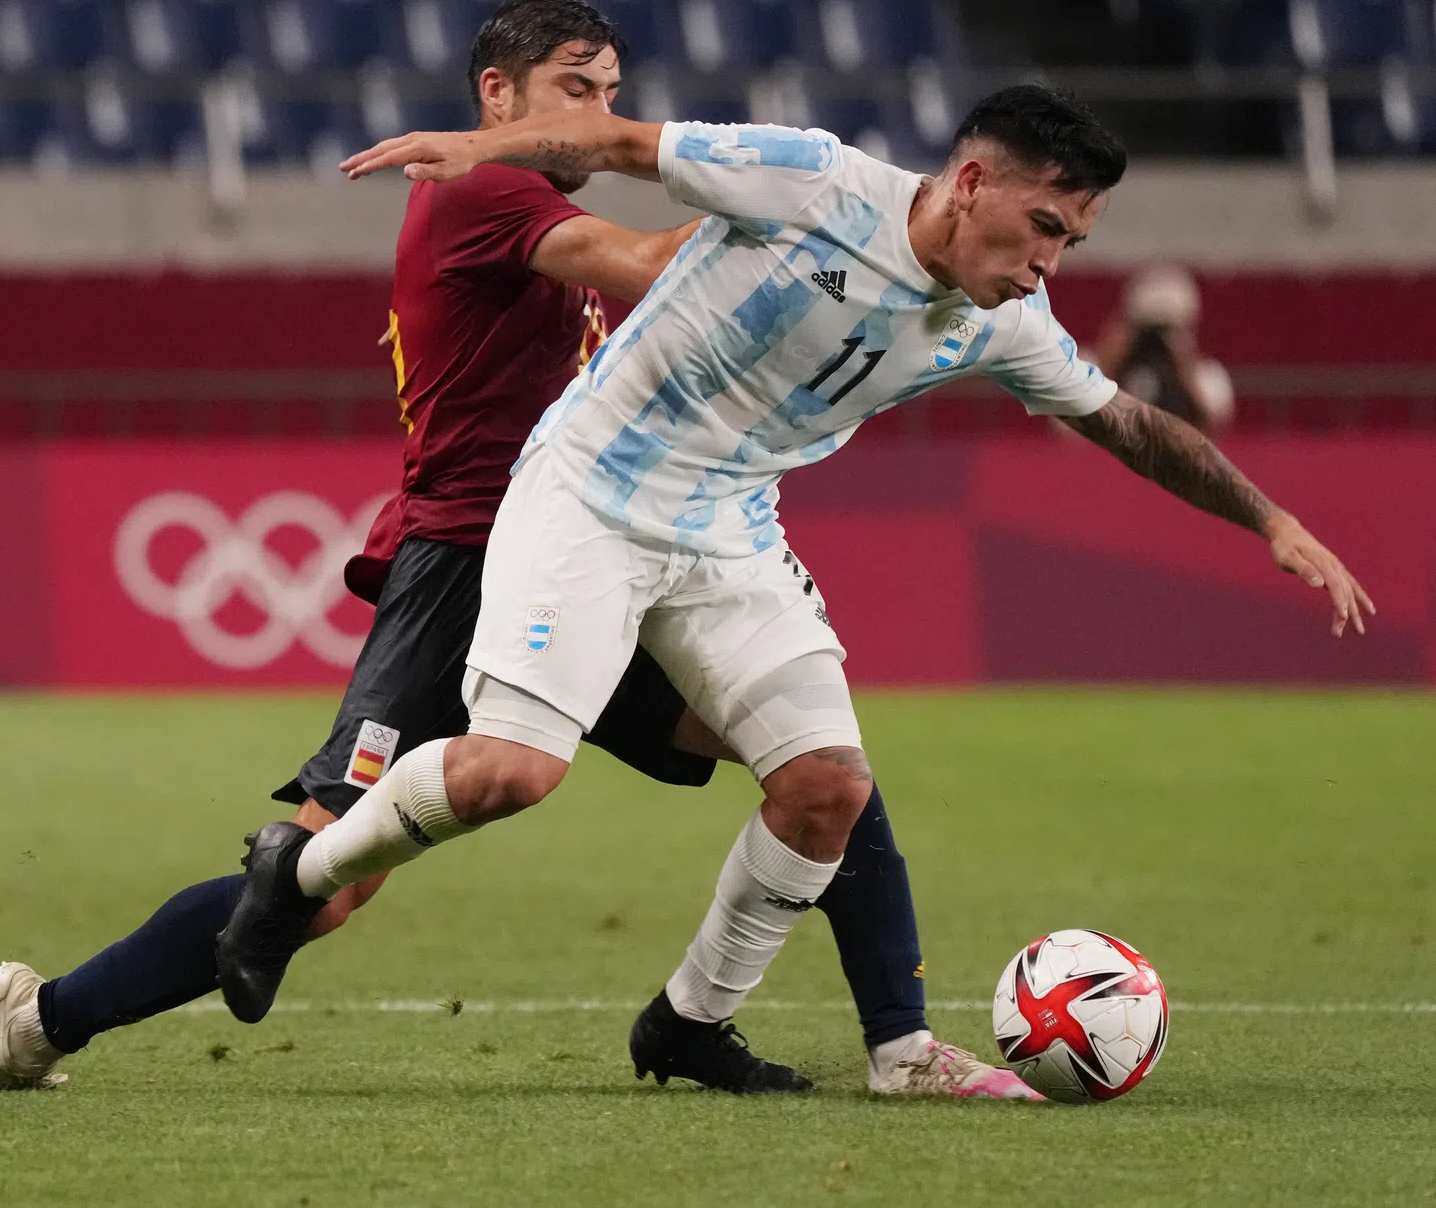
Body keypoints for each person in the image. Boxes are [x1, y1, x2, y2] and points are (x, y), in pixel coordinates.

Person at [0, 0, 1032, 1102]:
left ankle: (889, 1042)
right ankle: (38, 1020)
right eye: (573, 89)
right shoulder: (484, 184)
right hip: (468, 559)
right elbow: (646, 265)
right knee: (325, 880)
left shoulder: (519, 190)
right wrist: (807, 225)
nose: (593, 111)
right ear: (498, 95)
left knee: (820, 769)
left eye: (610, 93)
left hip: (592, 557)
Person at [215, 85, 1375, 1090]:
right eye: (1040, 228)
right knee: (512, 773)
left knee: (827, 788)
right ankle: (297, 871)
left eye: (1066, 243)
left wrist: (1267, 519)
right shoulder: (812, 179)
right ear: (968, 183)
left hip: (724, 533)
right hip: (589, 493)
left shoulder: (1007, 320)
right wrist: (479, 148)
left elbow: (1123, 421)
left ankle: (688, 1023)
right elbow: (621, 143)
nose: (1045, 266)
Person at [1092, 265, 1233, 434]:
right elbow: (1071, 433)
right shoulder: (1090, 368)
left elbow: (1217, 429)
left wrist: (1185, 368)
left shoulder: (1208, 374)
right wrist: (1108, 365)